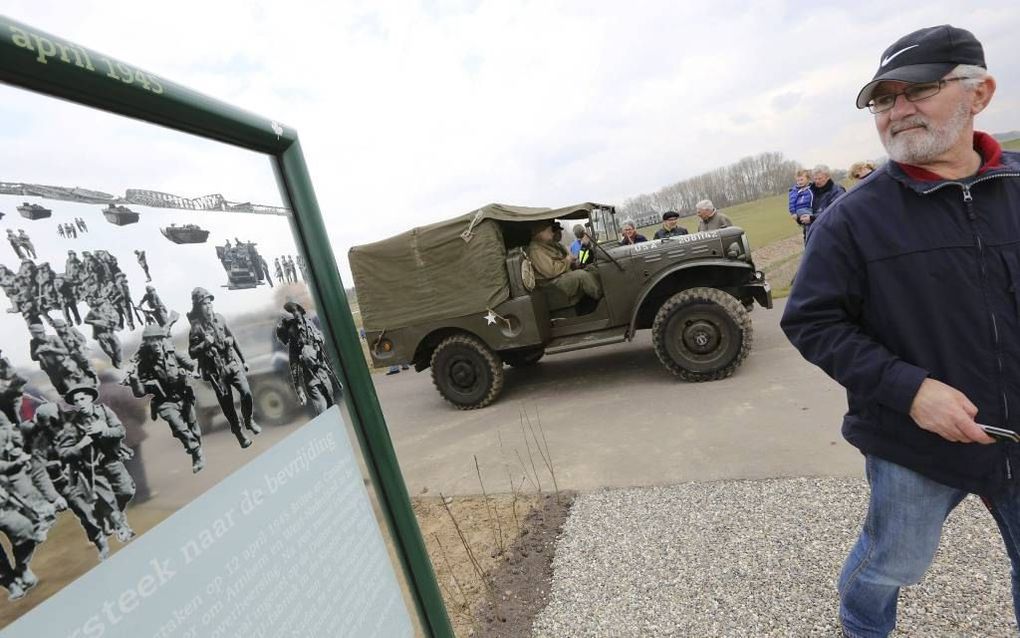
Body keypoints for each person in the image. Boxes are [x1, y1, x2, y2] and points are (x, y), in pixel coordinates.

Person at [780, 25, 1017, 637]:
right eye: (884, 99)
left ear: (980, 93)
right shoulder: (852, 220)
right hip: (915, 442)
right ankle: (862, 624)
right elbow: (811, 318)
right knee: (894, 563)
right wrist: (912, 391)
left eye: (919, 89)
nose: (898, 110)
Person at [187, 287, 260, 448]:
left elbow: (232, 338)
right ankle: (239, 433)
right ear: (198, 307)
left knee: (246, 393)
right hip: (215, 372)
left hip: (231, 363)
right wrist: (206, 343)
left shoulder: (219, 318)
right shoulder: (196, 328)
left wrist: (243, 360)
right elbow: (191, 352)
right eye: (204, 304)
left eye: (209, 303)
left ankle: (249, 420)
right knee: (227, 405)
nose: (208, 306)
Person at [127, 325, 204, 473]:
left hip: (183, 396)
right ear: (146, 343)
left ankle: (196, 455)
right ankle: (195, 449)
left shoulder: (173, 354)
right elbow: (140, 393)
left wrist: (191, 372)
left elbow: (192, 365)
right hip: (164, 402)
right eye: (151, 340)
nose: (155, 342)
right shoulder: (143, 364)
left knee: (194, 429)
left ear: (162, 340)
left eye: (157, 338)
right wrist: (135, 380)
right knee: (180, 428)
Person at [275, 302, 340, 414]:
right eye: (293, 312)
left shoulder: (310, 325)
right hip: (310, 376)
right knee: (321, 406)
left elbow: (321, 340)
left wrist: (317, 344)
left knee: (331, 402)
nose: (296, 314)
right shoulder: (295, 342)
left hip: (322, 372)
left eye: (297, 310)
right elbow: (294, 366)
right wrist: (299, 389)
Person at [527, 221, 602, 306]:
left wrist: (573, 263)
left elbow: (569, 261)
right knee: (581, 275)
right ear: (539, 232)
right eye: (550, 230)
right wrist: (568, 260)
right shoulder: (535, 250)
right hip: (553, 286)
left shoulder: (551, 246)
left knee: (593, 268)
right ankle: (602, 298)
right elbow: (551, 271)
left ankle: (604, 292)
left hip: (562, 278)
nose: (553, 233)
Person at [788, 169, 815, 243]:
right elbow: (791, 202)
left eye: (802, 180)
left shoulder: (811, 187)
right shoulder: (795, 191)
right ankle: (810, 241)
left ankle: (810, 240)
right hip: (801, 209)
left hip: (809, 208)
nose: (800, 182)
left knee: (811, 224)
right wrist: (793, 212)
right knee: (811, 224)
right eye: (798, 180)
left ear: (808, 179)